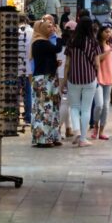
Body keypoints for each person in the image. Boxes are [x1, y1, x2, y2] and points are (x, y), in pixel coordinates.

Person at [62, 12, 112, 142]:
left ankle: (77, 132)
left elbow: (67, 63)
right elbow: (96, 63)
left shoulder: (71, 41)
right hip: (89, 79)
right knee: (86, 109)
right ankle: (83, 138)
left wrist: (64, 80)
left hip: (73, 79)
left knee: (74, 107)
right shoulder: (93, 43)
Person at [29, 16, 65, 147]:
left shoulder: (44, 41)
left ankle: (52, 136)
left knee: (52, 108)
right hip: (43, 80)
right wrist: (59, 36)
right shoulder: (40, 42)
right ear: (42, 29)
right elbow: (57, 49)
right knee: (44, 109)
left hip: (49, 77)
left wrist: (55, 63)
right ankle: (43, 138)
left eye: (52, 26)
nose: (52, 28)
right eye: (49, 26)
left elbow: (46, 58)